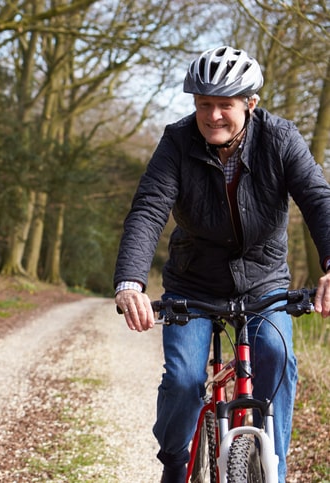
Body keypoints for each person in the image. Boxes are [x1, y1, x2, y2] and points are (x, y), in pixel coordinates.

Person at [113, 46, 330, 483]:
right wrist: (130, 281)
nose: (213, 116)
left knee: (276, 357)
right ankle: (175, 463)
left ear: (250, 103)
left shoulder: (281, 139)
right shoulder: (177, 141)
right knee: (185, 379)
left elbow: (318, 200)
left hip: (264, 284)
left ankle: (275, 470)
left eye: (224, 105)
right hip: (193, 285)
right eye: (203, 104)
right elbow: (149, 208)